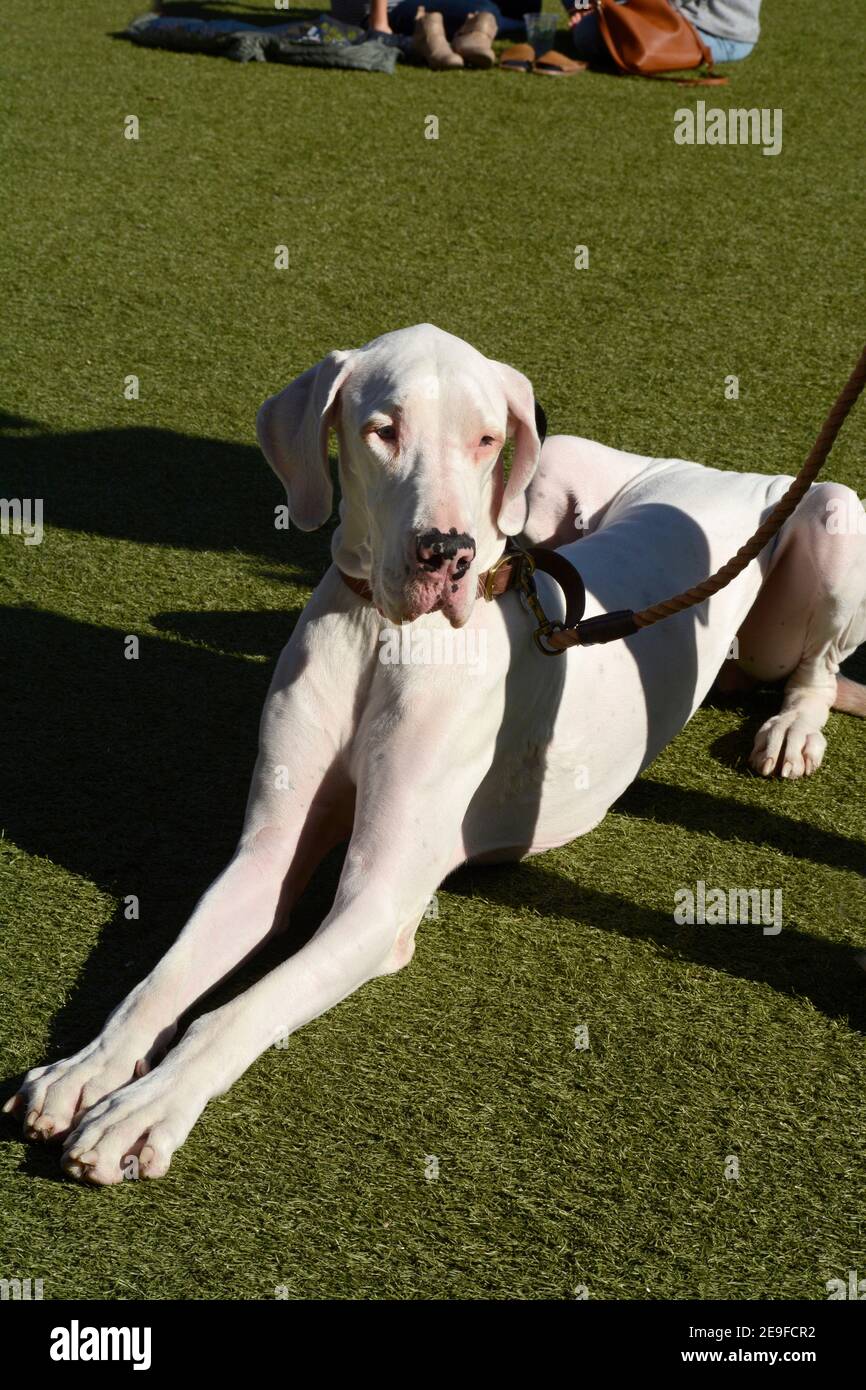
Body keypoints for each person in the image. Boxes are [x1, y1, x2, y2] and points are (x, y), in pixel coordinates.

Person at [568, 0, 762, 65]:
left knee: (587, 33)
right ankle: (585, 10)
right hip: (730, 28)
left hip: (714, 33)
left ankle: (588, 14)